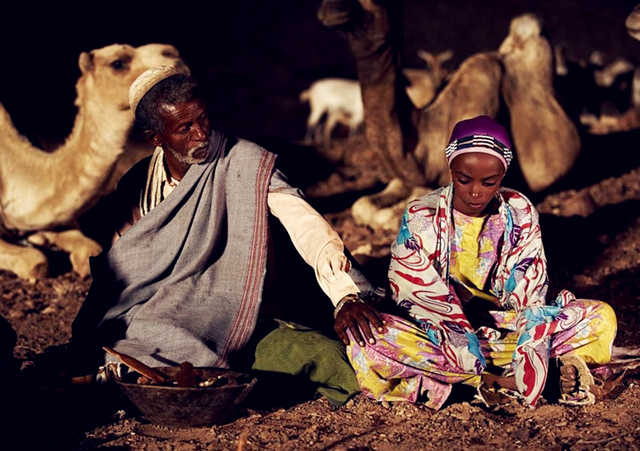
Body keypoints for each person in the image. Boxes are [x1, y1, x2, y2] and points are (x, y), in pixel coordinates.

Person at [71, 66, 386, 406]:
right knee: (113, 343)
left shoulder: (245, 163)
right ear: (155, 137)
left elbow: (304, 222)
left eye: (203, 119)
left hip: (246, 318)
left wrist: (345, 296)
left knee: (331, 361)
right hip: (165, 316)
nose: (201, 134)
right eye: (184, 128)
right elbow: (128, 266)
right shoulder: (139, 184)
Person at [341, 115, 617, 409]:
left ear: (503, 175)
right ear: (451, 169)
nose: (475, 192)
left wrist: (529, 346)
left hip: (501, 328)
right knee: (368, 342)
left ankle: (469, 381)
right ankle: (504, 380)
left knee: (600, 318)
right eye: (464, 179)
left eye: (489, 182)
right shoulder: (421, 215)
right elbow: (412, 296)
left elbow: (530, 297)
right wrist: (462, 340)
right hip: (435, 330)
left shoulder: (520, 210)